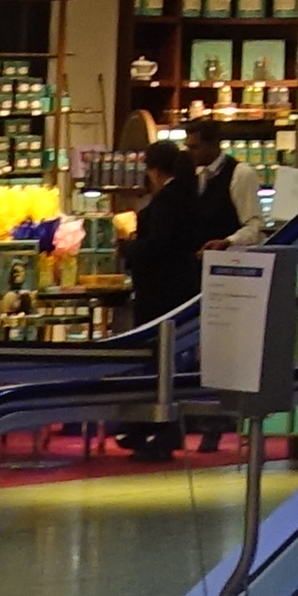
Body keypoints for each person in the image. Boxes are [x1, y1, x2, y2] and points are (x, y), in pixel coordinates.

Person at [116, 137, 238, 458]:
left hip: (161, 293)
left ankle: (161, 429)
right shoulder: (190, 196)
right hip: (181, 290)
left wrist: (127, 247)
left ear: (153, 170)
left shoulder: (168, 202)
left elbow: (158, 246)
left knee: (159, 361)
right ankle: (147, 427)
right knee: (171, 361)